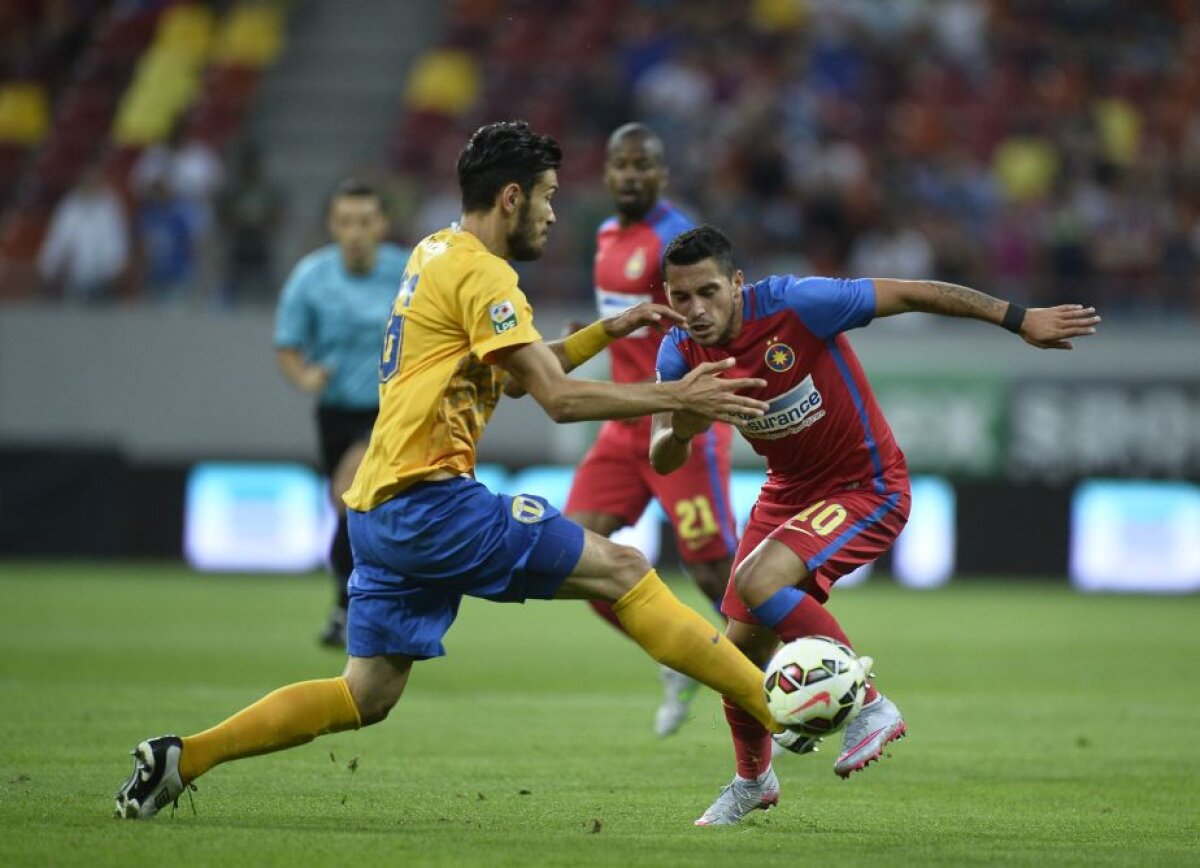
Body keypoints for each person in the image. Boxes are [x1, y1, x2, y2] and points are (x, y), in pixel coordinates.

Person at [114, 121, 788, 820]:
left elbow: (524, 377)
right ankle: (780, 704)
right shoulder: (482, 273)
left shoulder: (434, 250)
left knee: (363, 695)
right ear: (510, 198)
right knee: (622, 571)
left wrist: (602, 334)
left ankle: (183, 757)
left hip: (376, 508)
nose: (555, 214)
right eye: (548, 198)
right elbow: (555, 400)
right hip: (432, 504)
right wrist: (676, 394)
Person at [648, 225, 1100, 826]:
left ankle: (869, 705)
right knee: (736, 659)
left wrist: (1019, 320)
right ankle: (753, 782)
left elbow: (915, 293)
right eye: (682, 298)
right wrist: (685, 420)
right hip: (786, 495)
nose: (696, 310)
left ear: (736, 283)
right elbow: (660, 454)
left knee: (758, 582)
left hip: (869, 486)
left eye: (708, 291)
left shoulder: (798, 304)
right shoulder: (679, 353)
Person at [563, 123, 736, 737]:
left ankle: (785, 672)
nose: (630, 175)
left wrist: (685, 407)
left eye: (643, 165)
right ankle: (677, 658)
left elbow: (710, 324)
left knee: (716, 572)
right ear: (606, 172)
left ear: (662, 175)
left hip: (677, 421)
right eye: (620, 164)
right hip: (620, 429)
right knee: (572, 560)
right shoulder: (607, 235)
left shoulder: (676, 241)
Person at [274, 179, 409, 648]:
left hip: (392, 411)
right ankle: (351, 604)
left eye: (365, 221)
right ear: (332, 225)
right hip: (334, 413)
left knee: (349, 496)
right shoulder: (311, 277)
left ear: (382, 225)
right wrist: (304, 377)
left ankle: (352, 608)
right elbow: (289, 345)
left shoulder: (407, 271)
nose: (355, 232)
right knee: (354, 512)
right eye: (346, 221)